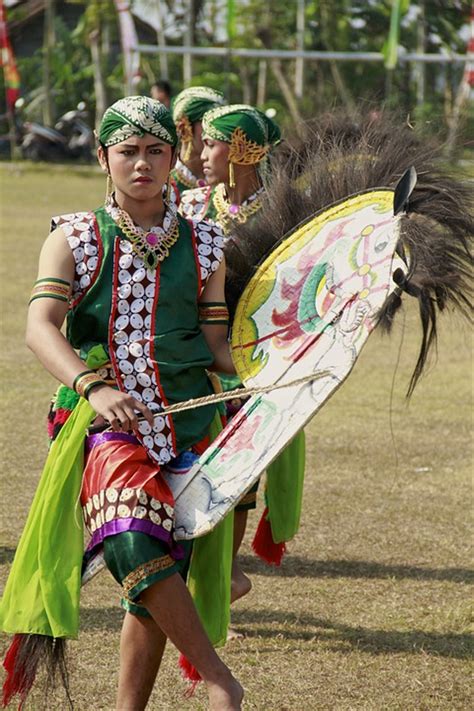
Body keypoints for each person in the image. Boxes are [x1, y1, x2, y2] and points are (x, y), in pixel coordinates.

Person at [0, 96, 243, 711]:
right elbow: (40, 327)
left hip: (190, 422)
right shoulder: (74, 237)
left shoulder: (208, 243)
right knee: (132, 542)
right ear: (104, 157)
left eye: (155, 151)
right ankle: (220, 679)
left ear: (172, 157)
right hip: (106, 423)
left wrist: (299, 354)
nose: (142, 164)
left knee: (158, 577)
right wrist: (93, 385)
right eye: (128, 152)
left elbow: (217, 344)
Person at [179, 104, 306, 608]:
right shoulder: (188, 206)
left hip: (252, 360)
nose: (201, 153)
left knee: (240, 474)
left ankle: (225, 572)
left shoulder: (285, 212)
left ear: (242, 151)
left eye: (212, 144)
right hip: (194, 357)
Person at [170, 86, 226, 196]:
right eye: (209, 124)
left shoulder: (229, 181)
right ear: (184, 128)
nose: (217, 132)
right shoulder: (163, 185)